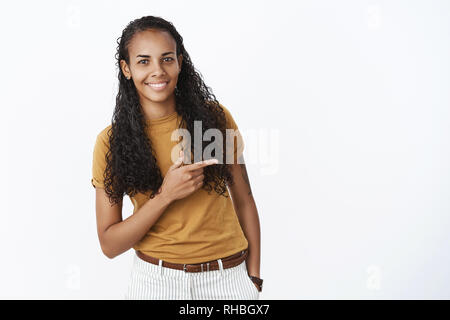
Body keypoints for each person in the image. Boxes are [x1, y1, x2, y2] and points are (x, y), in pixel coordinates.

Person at [91, 15, 262, 300]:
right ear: (127, 68)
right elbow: (109, 244)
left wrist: (254, 278)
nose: (157, 71)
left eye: (167, 59)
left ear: (180, 62)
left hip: (227, 280)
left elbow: (245, 201)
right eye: (144, 61)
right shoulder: (110, 142)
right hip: (155, 283)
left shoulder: (213, 120)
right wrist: (166, 195)